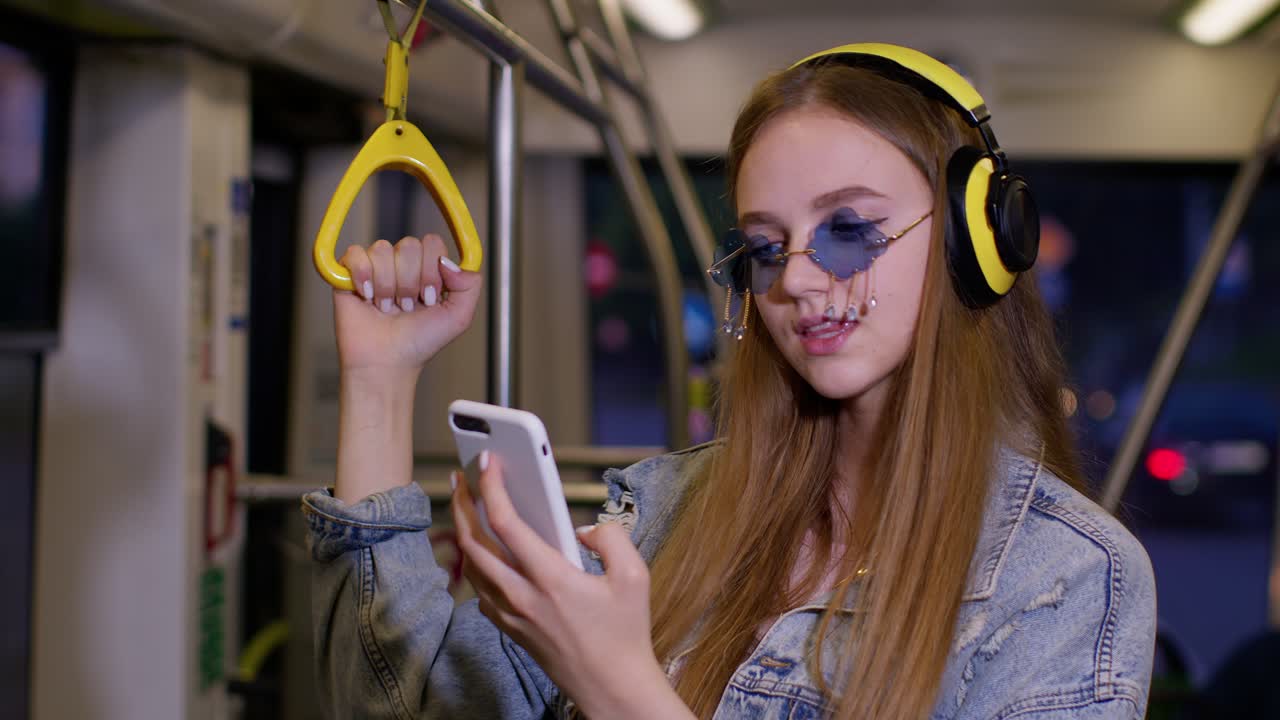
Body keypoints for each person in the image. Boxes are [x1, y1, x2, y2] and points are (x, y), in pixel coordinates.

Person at [303, 43, 1157, 719]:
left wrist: (616, 687)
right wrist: (379, 383)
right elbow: (402, 708)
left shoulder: (1069, 578)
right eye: (766, 246)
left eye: (850, 228)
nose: (800, 281)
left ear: (977, 241)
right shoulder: (669, 509)